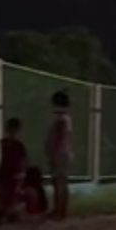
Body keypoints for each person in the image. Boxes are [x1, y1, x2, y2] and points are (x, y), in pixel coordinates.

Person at [44, 90, 73, 221]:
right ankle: (58, 210)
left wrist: (53, 153)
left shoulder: (61, 118)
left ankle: (60, 211)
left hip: (60, 154)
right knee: (58, 182)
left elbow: (59, 138)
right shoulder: (63, 117)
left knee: (60, 182)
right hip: (62, 153)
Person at [0, 117, 27, 225]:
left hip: (12, 171)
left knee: (12, 194)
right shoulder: (5, 143)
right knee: (3, 193)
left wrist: (22, 173)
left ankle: (11, 214)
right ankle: (3, 213)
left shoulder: (17, 145)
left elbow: (22, 160)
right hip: (6, 171)